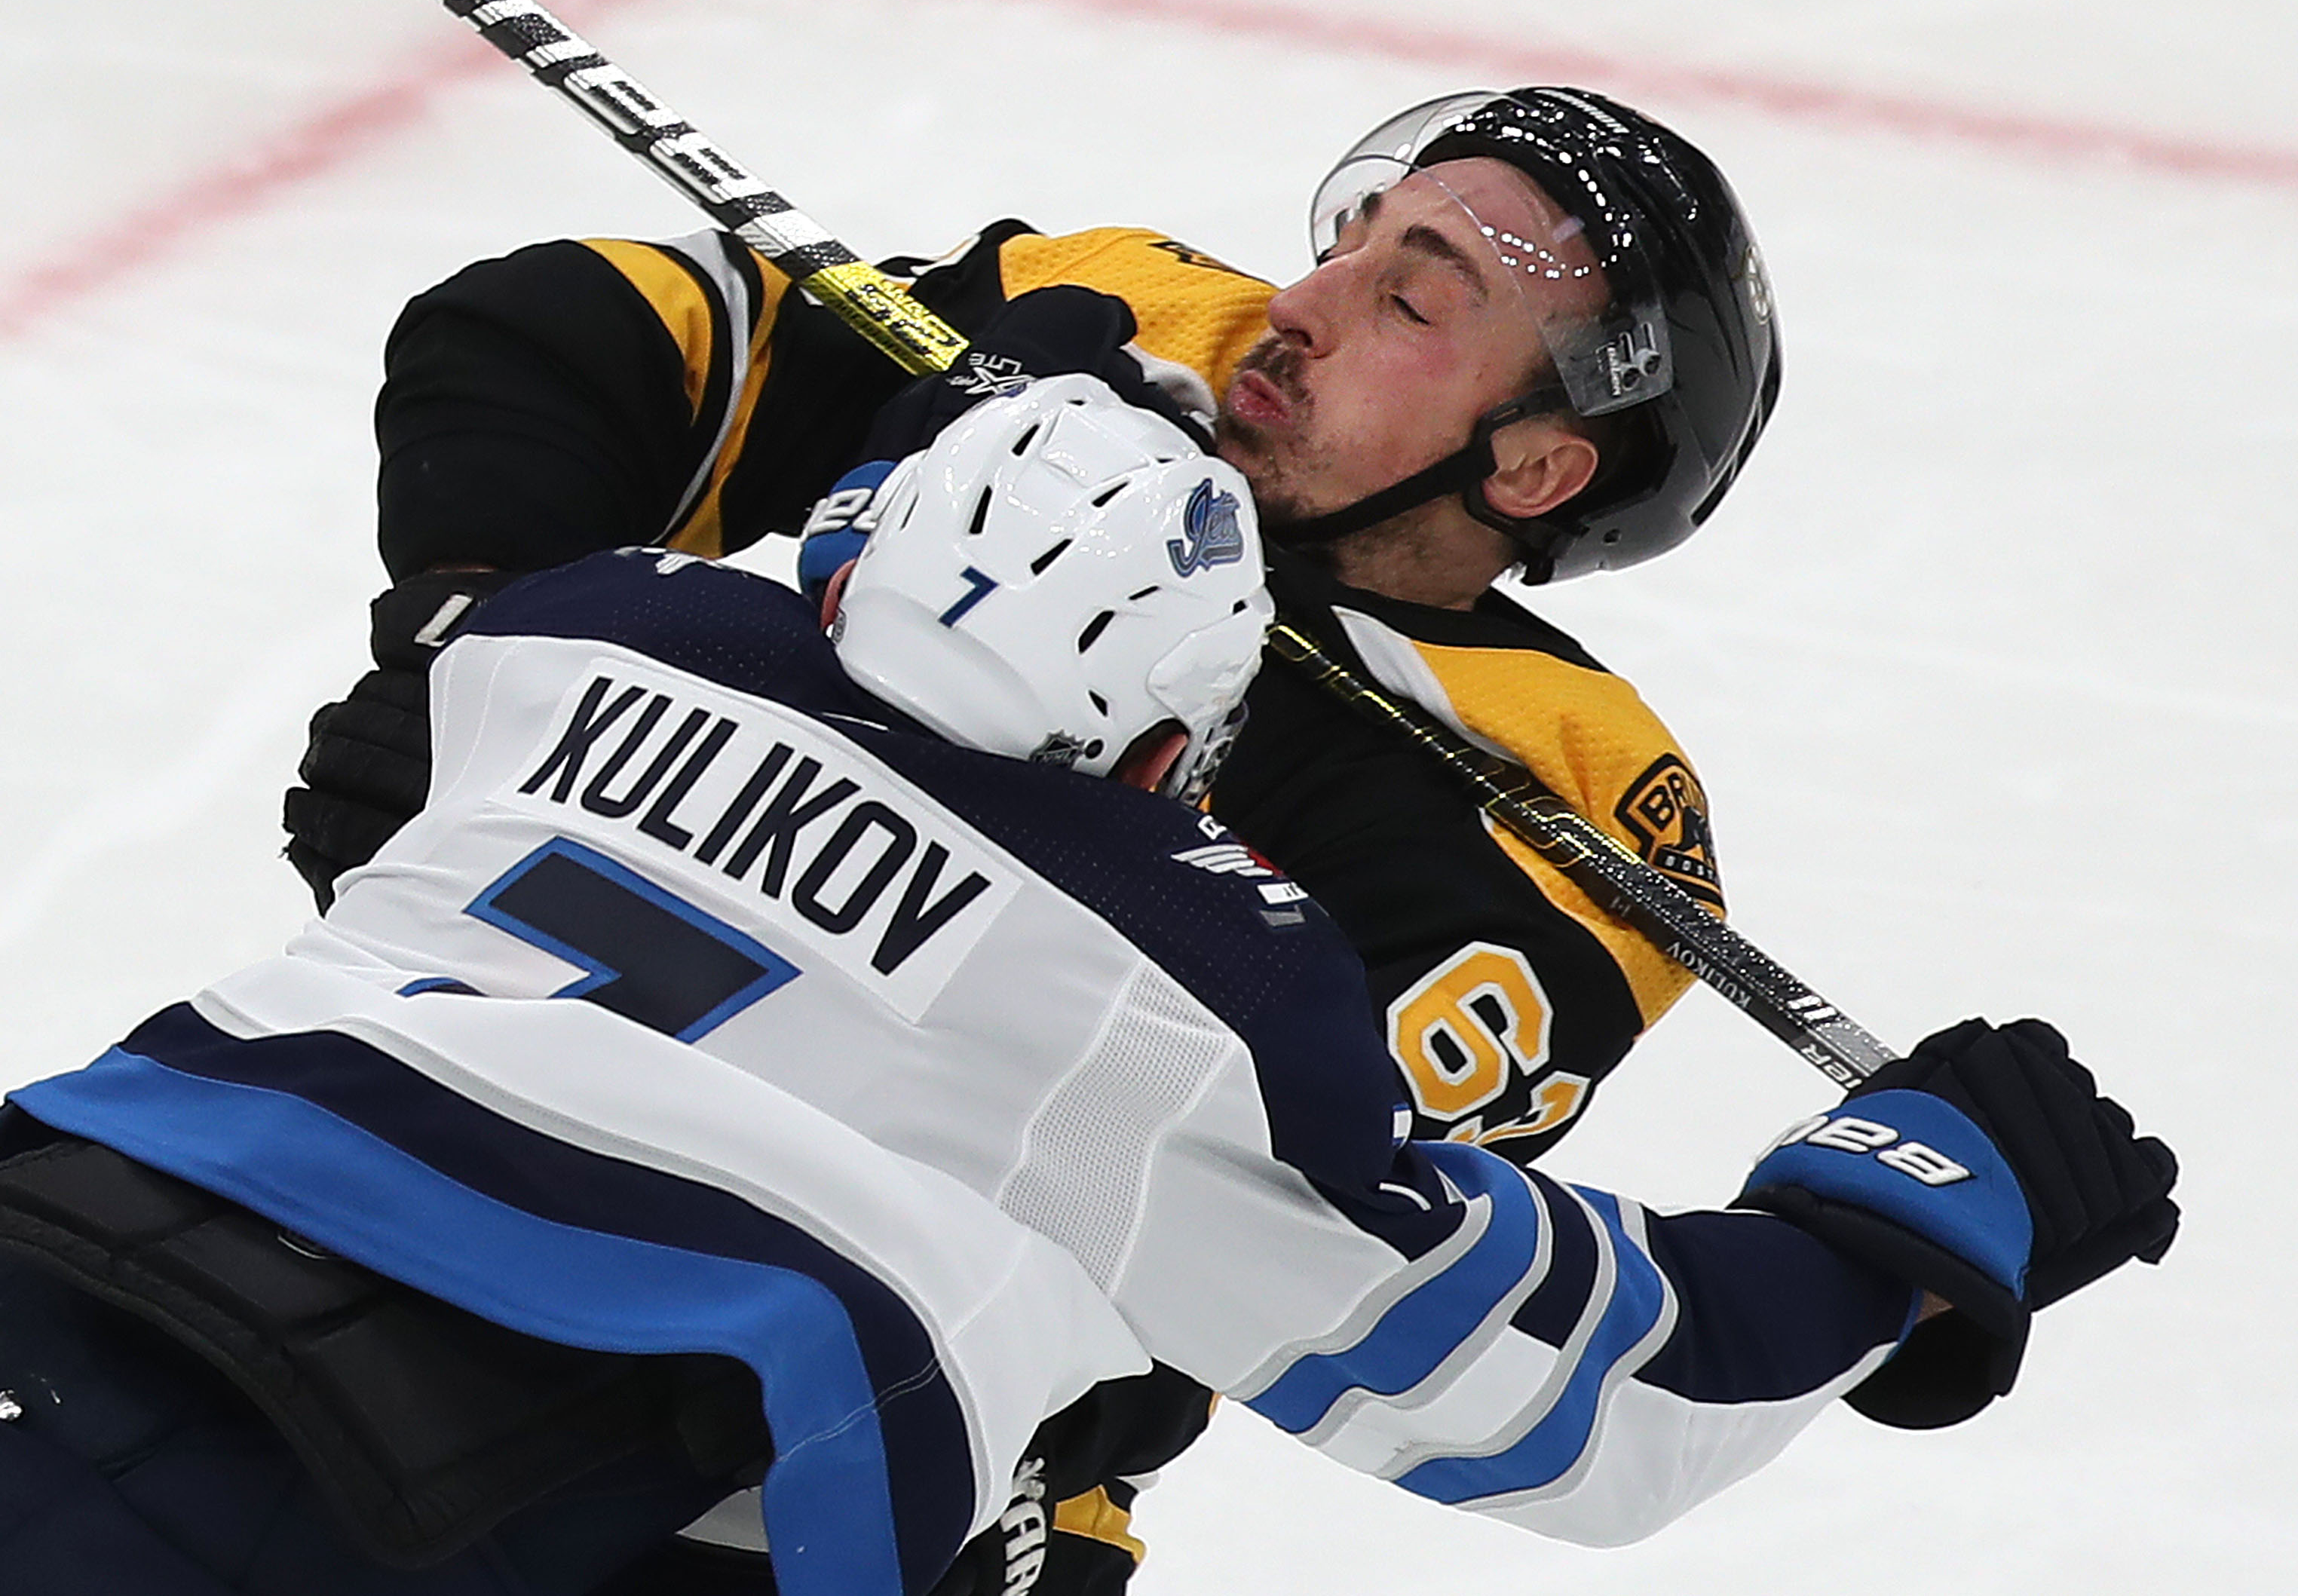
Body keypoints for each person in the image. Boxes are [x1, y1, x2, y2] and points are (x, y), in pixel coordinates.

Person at [0, 379, 2180, 1596]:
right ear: (1174, 740)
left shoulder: (575, 631)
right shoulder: (1192, 983)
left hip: (68, 1249)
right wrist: (1912, 1208)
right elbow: (1580, 1405)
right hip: (501, 1503)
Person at [273, 85, 1765, 1588]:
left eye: (1412, 301)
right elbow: (598, 324)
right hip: (450, 1164)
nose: (1296, 307)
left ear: (1532, 467)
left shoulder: (1565, 810)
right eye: (1345, 238)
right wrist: (477, 641)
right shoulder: (1133, 326)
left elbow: (1265, 1198)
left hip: (896, 1443)